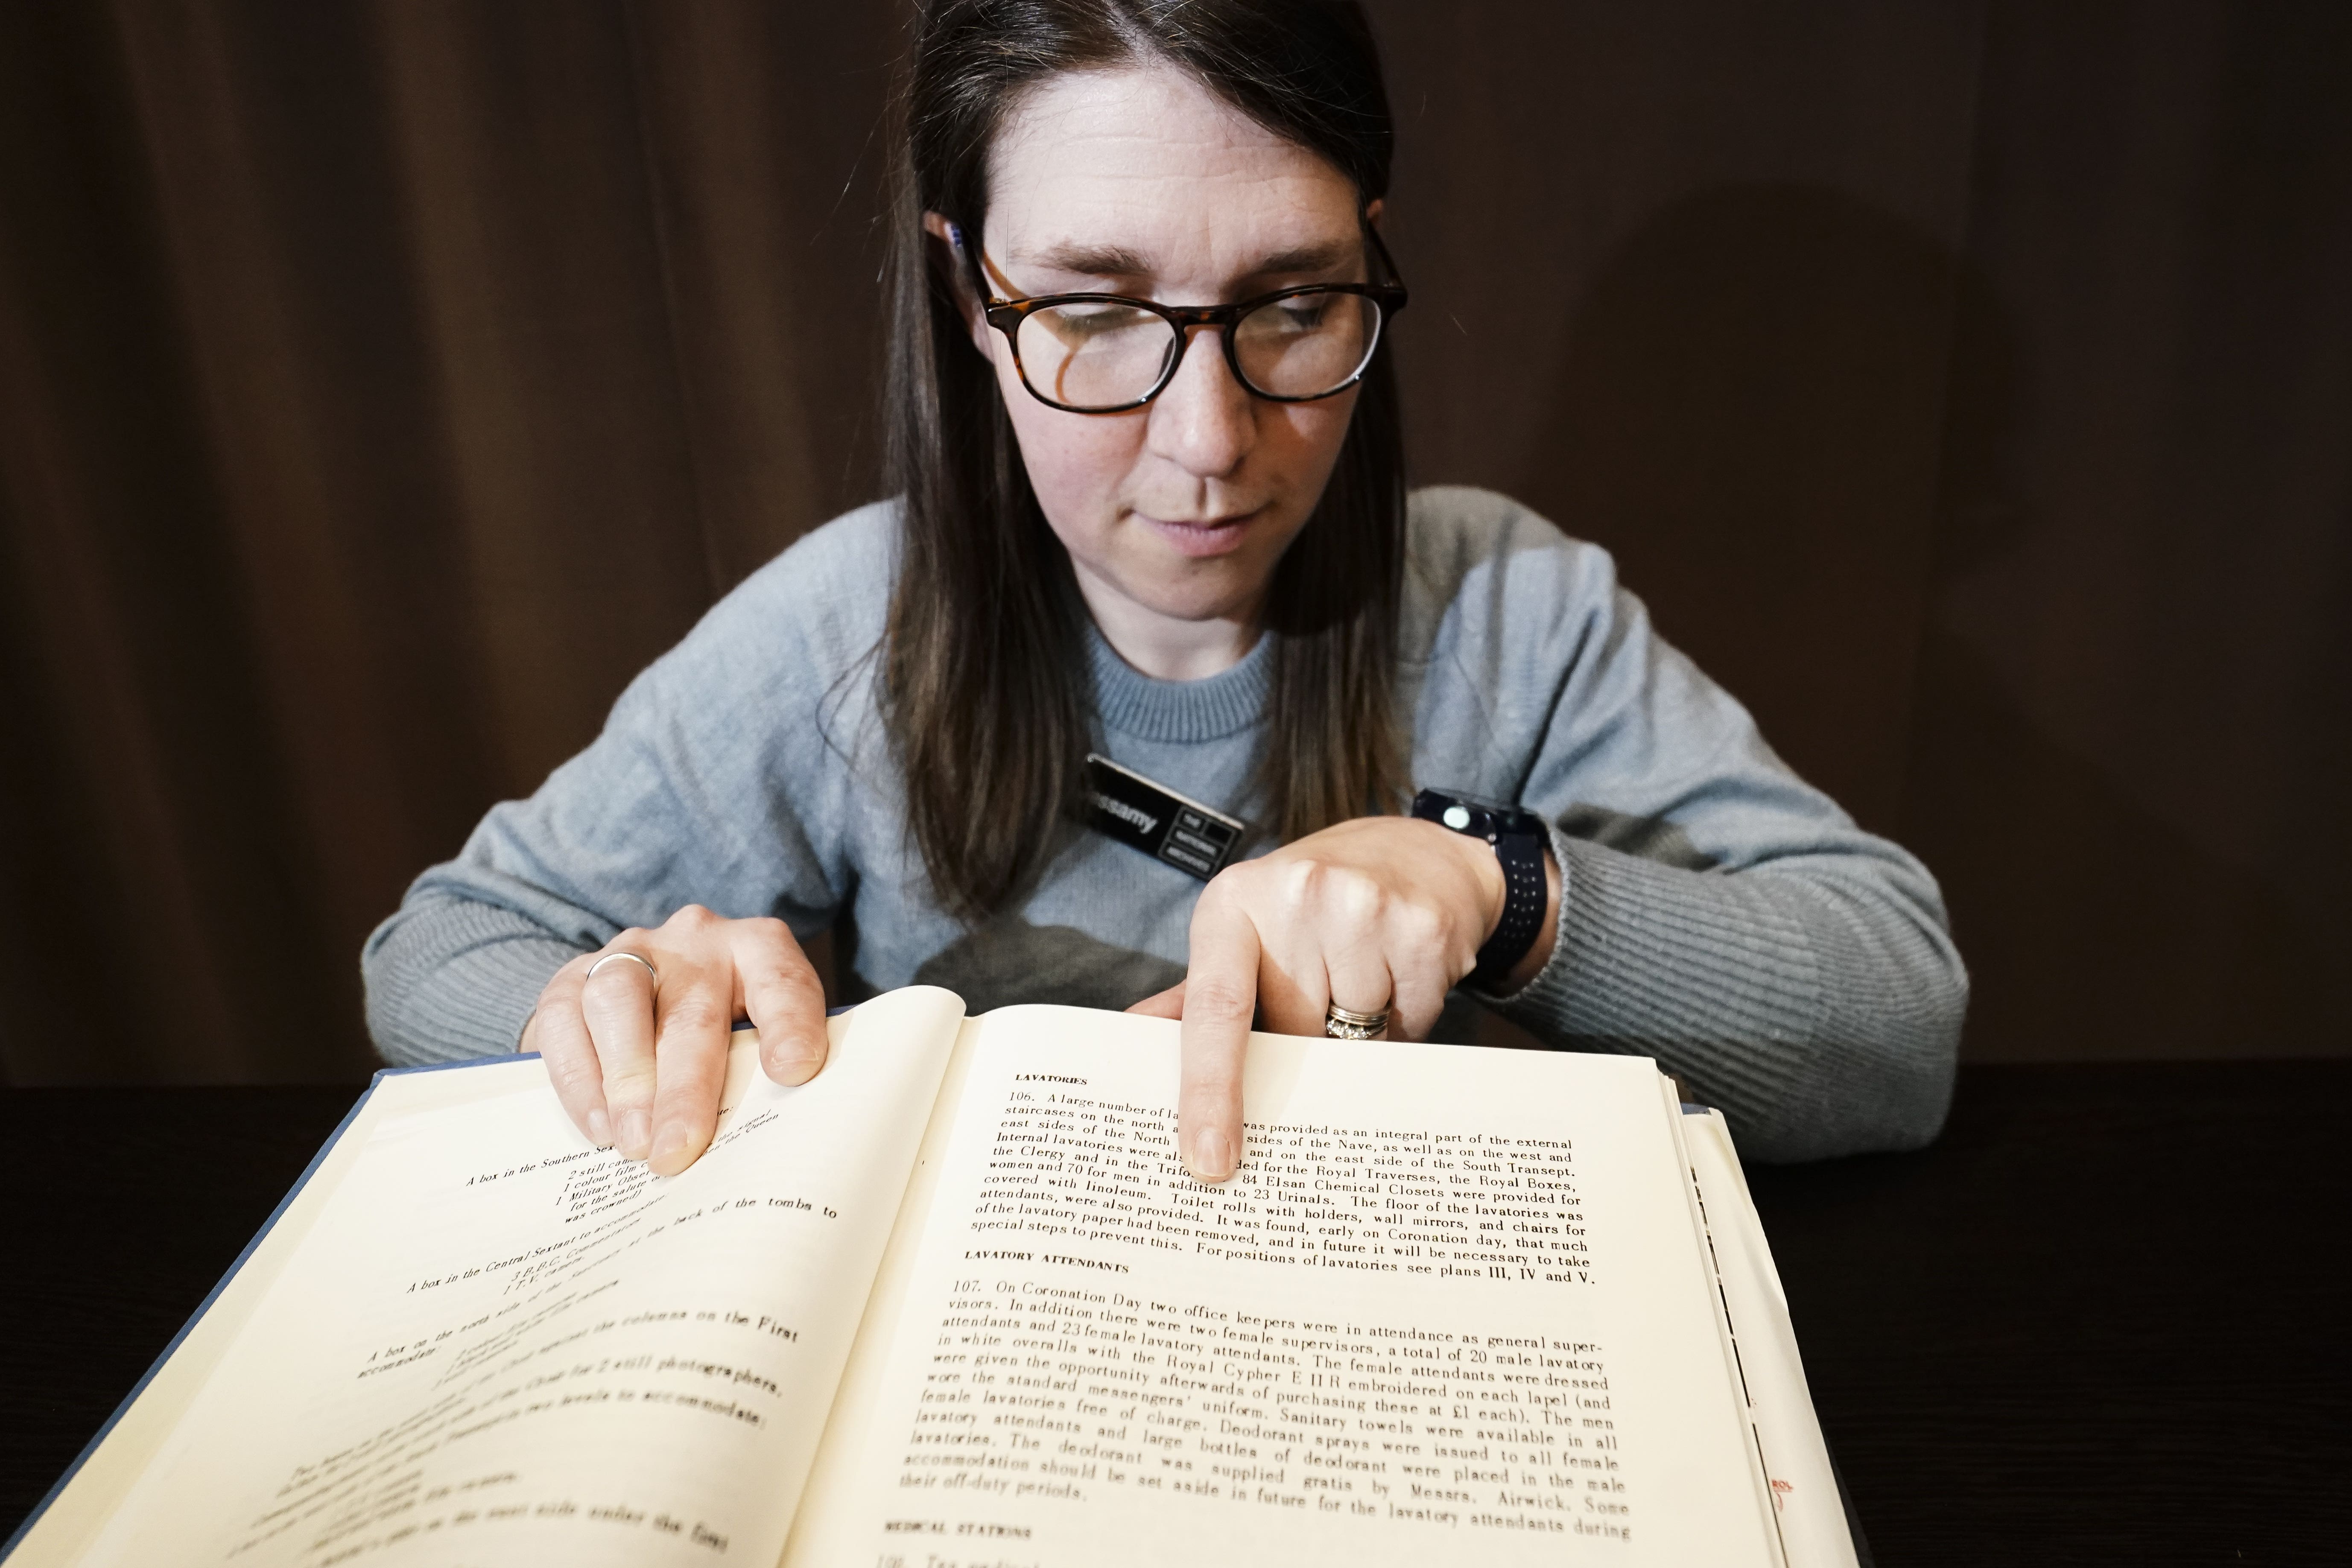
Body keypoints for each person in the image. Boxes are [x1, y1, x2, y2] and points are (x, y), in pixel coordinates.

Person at [363, 0, 1966, 1185]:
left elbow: (1900, 1027)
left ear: (1372, 257)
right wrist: (623, 1005)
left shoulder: (1510, 608)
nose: (1209, 444)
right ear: (968, 298)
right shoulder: (845, 629)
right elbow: (438, 949)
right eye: (1092, 310)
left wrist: (1503, 887)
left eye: (1292, 305)